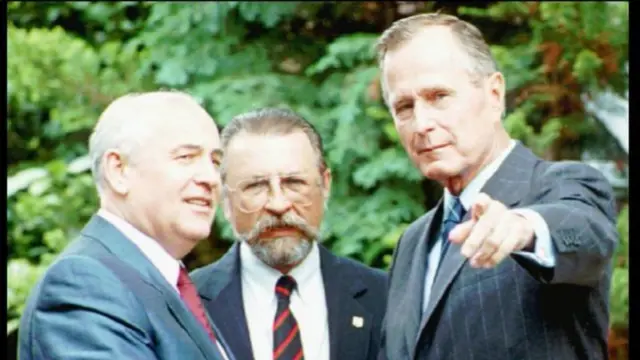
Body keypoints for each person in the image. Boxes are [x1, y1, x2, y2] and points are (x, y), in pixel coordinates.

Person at [374, 12, 619, 360]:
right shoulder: (412, 244)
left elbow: (587, 233)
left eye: (439, 95)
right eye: (404, 107)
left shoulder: (563, 185)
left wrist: (523, 228)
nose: (422, 123)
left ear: (494, 94)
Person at [18, 91, 234, 360]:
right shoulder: (85, 283)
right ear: (119, 170)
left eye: (215, 161)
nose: (211, 178)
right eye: (186, 157)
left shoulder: (171, 286)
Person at [190, 108, 388, 360]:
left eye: (294, 183)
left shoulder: (387, 298)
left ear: (325, 184)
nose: (278, 204)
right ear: (226, 200)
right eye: (256, 185)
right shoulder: (187, 304)